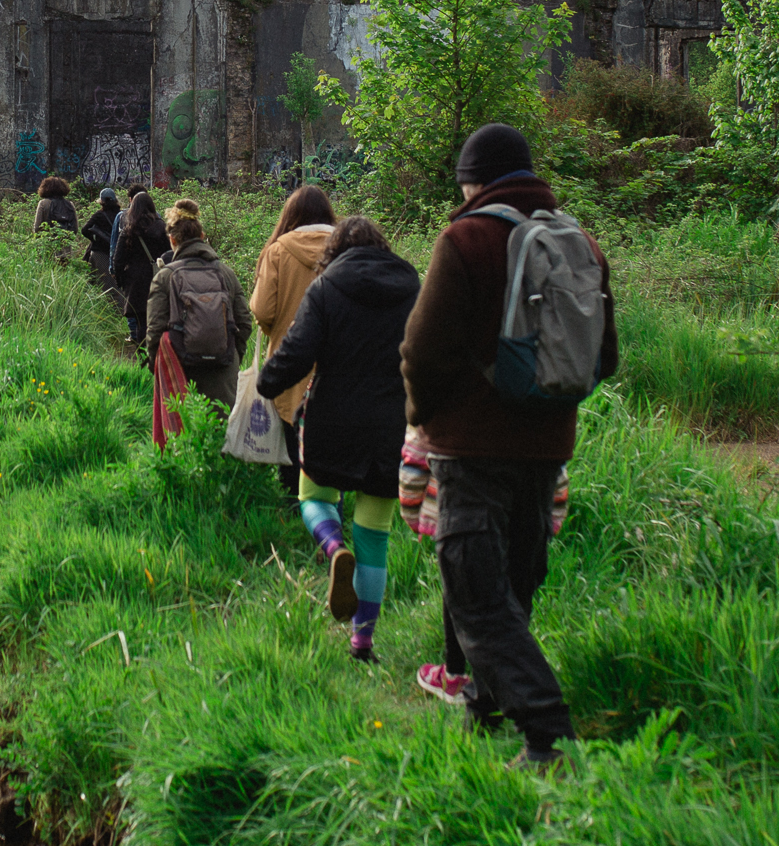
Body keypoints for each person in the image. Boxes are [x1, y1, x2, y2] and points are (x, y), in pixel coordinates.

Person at [401, 122, 615, 770]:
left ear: (473, 179)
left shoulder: (465, 238)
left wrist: (422, 419)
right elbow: (603, 354)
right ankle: (485, 710)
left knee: (475, 594)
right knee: (516, 584)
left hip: (470, 449)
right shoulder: (582, 242)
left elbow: (422, 349)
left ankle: (548, 733)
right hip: (548, 447)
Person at [255, 214, 417, 663]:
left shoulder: (326, 289)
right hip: (392, 425)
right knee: (376, 535)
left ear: (337, 251)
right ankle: (362, 644)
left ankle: (333, 547)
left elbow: (297, 350)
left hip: (333, 421)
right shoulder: (411, 287)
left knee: (313, 498)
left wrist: (268, 382)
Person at [247, 185, 338, 491]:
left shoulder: (279, 250)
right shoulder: (347, 248)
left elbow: (262, 310)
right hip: (338, 364)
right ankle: (330, 509)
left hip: (290, 364)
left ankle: (293, 509)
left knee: (291, 442)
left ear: (291, 215)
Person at [144, 210, 250, 410]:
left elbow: (155, 331)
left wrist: (159, 369)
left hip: (179, 376)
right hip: (224, 376)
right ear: (202, 237)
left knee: (181, 434)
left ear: (172, 240)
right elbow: (244, 323)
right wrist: (232, 358)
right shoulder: (226, 273)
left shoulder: (165, 277)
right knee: (222, 434)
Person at [113, 189, 167, 345]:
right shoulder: (161, 227)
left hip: (135, 282)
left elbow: (118, 260)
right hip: (158, 278)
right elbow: (170, 254)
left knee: (140, 322)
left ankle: (143, 356)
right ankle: (158, 355)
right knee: (158, 319)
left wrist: (121, 282)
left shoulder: (128, 230)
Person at [80, 187, 120, 282]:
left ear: (101, 201)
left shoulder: (99, 215)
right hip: (116, 252)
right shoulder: (121, 215)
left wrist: (96, 240)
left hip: (99, 252)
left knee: (97, 284)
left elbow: (84, 230)